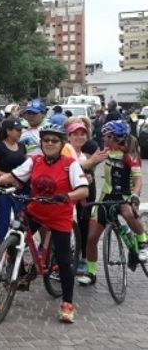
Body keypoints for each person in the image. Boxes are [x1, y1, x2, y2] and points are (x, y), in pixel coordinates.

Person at [0, 124, 89, 323]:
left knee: (64, 260)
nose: (49, 143)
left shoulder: (70, 164)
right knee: (14, 234)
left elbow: (83, 191)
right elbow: (13, 176)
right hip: (35, 210)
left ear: (62, 143)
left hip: (59, 216)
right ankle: (19, 273)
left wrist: (66, 196)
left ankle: (67, 303)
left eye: (54, 140)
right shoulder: (34, 161)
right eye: (46, 140)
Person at [77, 120, 146, 287]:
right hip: (106, 196)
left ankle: (143, 241)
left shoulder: (129, 155)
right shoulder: (106, 151)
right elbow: (86, 166)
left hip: (124, 196)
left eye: (105, 135)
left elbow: (138, 180)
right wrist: (87, 167)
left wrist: (135, 196)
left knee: (128, 213)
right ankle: (91, 272)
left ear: (113, 137)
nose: (102, 137)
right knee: (91, 238)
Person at [62, 118, 106, 275]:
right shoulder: (66, 148)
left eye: (83, 134)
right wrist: (89, 165)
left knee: (83, 224)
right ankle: (63, 261)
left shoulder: (82, 150)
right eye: (76, 134)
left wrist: (89, 168)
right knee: (65, 228)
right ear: (68, 135)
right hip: (68, 195)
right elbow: (69, 169)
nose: (80, 137)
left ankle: (79, 258)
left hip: (82, 194)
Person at [0, 119, 27, 243]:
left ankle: (18, 246)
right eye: (17, 130)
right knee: (4, 220)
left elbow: (26, 165)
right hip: (4, 190)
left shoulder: (22, 146)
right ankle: (4, 250)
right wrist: (7, 176)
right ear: (8, 131)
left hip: (20, 188)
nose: (20, 132)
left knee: (20, 219)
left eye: (21, 130)